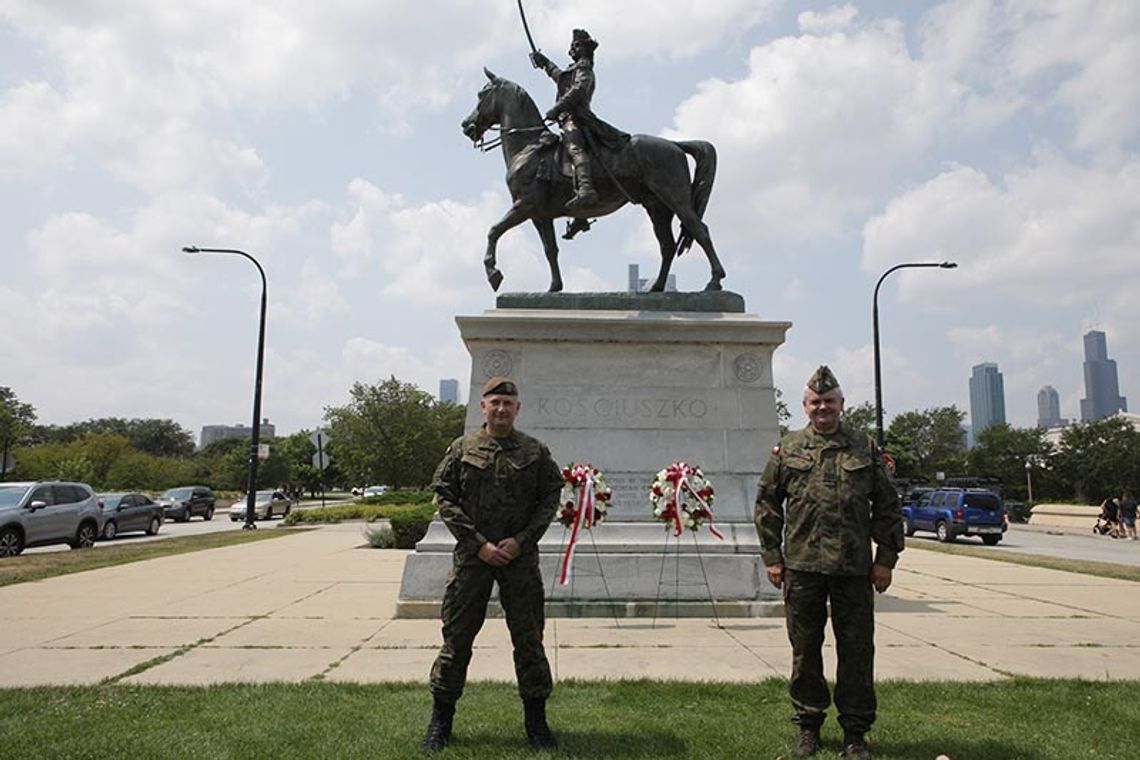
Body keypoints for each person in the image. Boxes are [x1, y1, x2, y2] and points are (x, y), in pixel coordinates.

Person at [754, 366, 904, 760]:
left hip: (853, 569)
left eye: (829, 401)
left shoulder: (863, 448)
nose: (823, 407)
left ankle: (855, 732)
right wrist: (773, 557)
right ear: (805, 407)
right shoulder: (787, 450)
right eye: (816, 402)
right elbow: (767, 506)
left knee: (856, 651)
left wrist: (885, 559)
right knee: (805, 650)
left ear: (841, 405)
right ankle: (808, 727)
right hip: (802, 567)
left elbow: (888, 506)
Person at [420, 376, 564, 753]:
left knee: (529, 641)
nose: (501, 409)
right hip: (473, 561)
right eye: (494, 402)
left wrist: (521, 541)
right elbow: (445, 497)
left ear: (518, 409)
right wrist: (478, 544)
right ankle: (441, 721)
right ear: (483, 407)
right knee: (457, 640)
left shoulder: (535, 451)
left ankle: (536, 724)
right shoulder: (462, 448)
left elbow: (551, 497)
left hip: (519, 561)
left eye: (508, 403)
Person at [530, 28, 629, 211]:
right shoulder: (574, 69)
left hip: (578, 119)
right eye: (572, 46)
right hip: (568, 118)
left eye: (576, 45)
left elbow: (578, 91)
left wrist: (557, 108)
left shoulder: (584, 68)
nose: (572, 49)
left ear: (585, 48)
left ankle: (586, 189)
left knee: (574, 148)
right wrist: (545, 63)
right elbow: (561, 78)